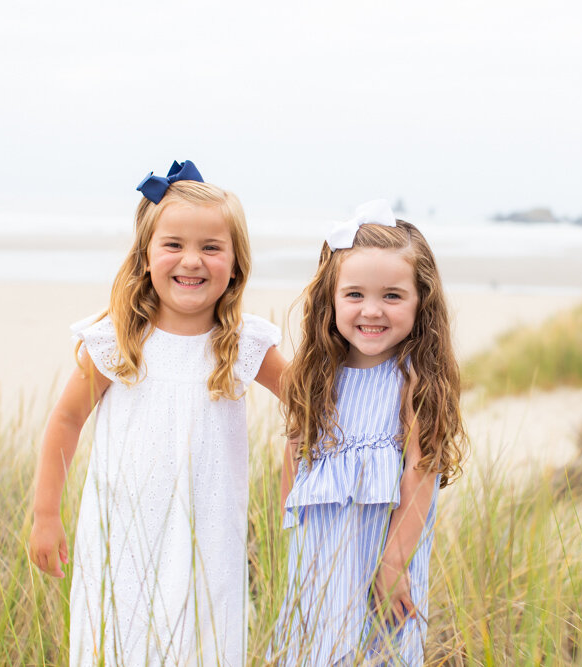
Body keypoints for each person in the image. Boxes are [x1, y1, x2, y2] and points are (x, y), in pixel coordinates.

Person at [28, 161, 285, 666]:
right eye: (174, 245)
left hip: (210, 541)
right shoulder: (118, 340)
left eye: (211, 247)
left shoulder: (243, 342)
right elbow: (65, 421)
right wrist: (45, 514)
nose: (192, 260)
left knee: (205, 644)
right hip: (120, 538)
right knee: (119, 643)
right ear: (146, 256)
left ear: (235, 264)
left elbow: (307, 398)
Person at [270, 200, 466, 664]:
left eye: (392, 296)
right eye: (354, 295)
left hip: (383, 558)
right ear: (331, 300)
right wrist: (290, 536)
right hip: (318, 558)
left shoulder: (414, 380)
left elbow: (422, 474)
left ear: (422, 302)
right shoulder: (318, 375)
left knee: (377, 649)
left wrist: (395, 563)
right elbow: (296, 452)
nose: (371, 311)